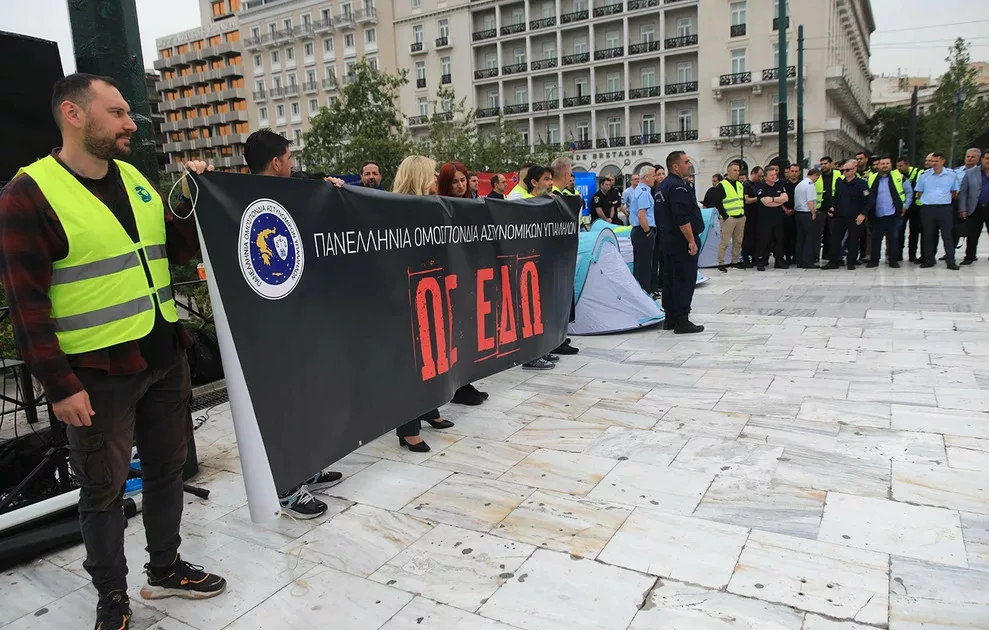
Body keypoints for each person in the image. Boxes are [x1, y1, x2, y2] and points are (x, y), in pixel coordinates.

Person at [0, 73, 226, 630]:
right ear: (74, 116)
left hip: (163, 356)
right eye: (118, 112)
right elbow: (26, 305)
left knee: (168, 470)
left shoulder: (135, 178)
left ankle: (167, 567)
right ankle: (112, 597)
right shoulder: (28, 194)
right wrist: (60, 385)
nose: (131, 123)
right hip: (96, 375)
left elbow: (172, 249)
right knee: (101, 491)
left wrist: (187, 200)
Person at [243, 130, 345, 518]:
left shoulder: (294, 193)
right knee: (281, 405)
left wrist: (328, 190)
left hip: (298, 319)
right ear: (275, 162)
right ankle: (286, 487)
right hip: (268, 327)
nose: (292, 163)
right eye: (289, 157)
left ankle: (306, 468)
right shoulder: (241, 201)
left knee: (305, 397)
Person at [392, 156, 457, 451]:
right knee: (411, 361)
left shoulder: (432, 207)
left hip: (431, 287)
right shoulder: (394, 210)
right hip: (406, 294)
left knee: (433, 353)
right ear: (418, 178)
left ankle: (428, 409)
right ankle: (407, 427)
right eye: (430, 175)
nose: (435, 179)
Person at [437, 162, 494, 401]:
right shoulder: (440, 206)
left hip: (470, 274)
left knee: (468, 330)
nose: (460, 186)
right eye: (455, 182)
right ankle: (457, 387)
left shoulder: (473, 204)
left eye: (463, 180)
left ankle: (466, 381)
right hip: (450, 277)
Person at [657, 151, 704, 334]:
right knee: (684, 278)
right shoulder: (678, 187)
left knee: (670, 279)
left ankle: (670, 319)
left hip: (668, 241)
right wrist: (691, 241)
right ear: (675, 166)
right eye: (685, 162)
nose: (689, 165)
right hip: (680, 242)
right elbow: (681, 217)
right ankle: (682, 319)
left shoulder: (662, 186)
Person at [824, 160, 872, 270]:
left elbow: (868, 200)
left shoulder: (861, 184)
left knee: (853, 240)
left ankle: (851, 261)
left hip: (854, 216)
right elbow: (836, 198)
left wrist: (863, 214)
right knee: (835, 239)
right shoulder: (840, 183)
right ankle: (833, 261)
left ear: (854, 169)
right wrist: (832, 207)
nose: (845, 172)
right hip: (839, 216)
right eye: (843, 170)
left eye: (847, 170)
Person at [915, 151, 959, 269]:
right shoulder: (924, 175)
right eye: (932, 161)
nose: (933, 163)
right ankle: (929, 259)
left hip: (945, 208)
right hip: (928, 208)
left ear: (942, 161)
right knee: (928, 235)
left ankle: (950, 261)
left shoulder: (951, 175)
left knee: (947, 235)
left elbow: (954, 192)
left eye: (936, 161)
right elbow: (919, 192)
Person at [866, 156, 911, 268]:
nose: (885, 165)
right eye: (882, 163)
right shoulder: (871, 178)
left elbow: (909, 192)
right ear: (878, 165)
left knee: (893, 239)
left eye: (887, 163)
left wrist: (905, 206)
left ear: (891, 165)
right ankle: (874, 260)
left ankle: (893, 260)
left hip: (893, 214)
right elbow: (866, 194)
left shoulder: (899, 177)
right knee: (875, 239)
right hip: (877, 214)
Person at [754, 165, 789, 271]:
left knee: (779, 239)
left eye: (775, 175)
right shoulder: (761, 187)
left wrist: (773, 199)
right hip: (765, 219)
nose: (774, 177)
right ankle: (760, 261)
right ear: (765, 177)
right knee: (764, 240)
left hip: (777, 218)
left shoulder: (779, 186)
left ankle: (779, 260)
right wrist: (778, 201)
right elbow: (765, 202)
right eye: (772, 175)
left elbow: (785, 198)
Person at [629, 166, 658, 294]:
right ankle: (645, 292)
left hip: (638, 231)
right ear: (646, 177)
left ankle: (640, 292)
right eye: (653, 176)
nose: (655, 179)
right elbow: (642, 215)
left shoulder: (638, 190)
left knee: (640, 265)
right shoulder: (644, 192)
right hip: (643, 231)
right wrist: (648, 232)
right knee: (645, 266)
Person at [712, 162, 745, 273]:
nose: (737, 172)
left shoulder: (740, 185)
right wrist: (725, 216)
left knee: (738, 241)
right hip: (729, 218)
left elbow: (741, 200)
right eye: (734, 170)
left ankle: (734, 261)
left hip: (740, 216)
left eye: (738, 170)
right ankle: (721, 262)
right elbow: (717, 201)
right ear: (729, 171)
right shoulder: (722, 185)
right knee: (724, 242)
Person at [959, 149, 989, 263]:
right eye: (987, 158)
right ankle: (970, 256)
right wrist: (963, 209)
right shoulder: (971, 172)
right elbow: (964, 192)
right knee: (972, 234)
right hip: (975, 207)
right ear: (982, 159)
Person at [896, 156, 923, 263]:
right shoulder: (896, 174)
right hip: (902, 207)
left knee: (914, 232)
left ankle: (912, 254)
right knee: (899, 231)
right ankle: (898, 254)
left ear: (907, 164)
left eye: (901, 166)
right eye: (897, 166)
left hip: (915, 207)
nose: (898, 168)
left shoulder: (918, 172)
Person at [793, 168, 821, 268]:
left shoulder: (800, 184)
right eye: (817, 177)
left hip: (798, 213)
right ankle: (807, 261)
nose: (817, 180)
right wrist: (813, 213)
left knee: (800, 238)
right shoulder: (809, 185)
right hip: (806, 213)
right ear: (815, 175)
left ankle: (799, 260)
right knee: (809, 238)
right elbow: (810, 201)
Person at [816, 156, 838, 263]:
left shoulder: (838, 175)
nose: (823, 166)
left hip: (834, 209)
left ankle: (829, 254)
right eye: (822, 164)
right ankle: (817, 255)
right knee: (819, 233)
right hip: (820, 209)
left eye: (825, 163)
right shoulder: (818, 176)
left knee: (832, 233)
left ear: (830, 164)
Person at [740, 166, 763, 267]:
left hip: (758, 215)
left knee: (756, 237)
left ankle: (755, 257)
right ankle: (746, 258)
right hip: (749, 215)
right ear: (753, 174)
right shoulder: (746, 185)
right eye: (759, 176)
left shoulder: (759, 184)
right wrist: (758, 198)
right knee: (747, 238)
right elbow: (747, 200)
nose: (760, 178)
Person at [782, 164, 801, 265]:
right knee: (786, 236)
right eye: (792, 171)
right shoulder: (783, 184)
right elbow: (779, 198)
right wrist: (785, 210)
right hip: (785, 213)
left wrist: (794, 209)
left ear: (799, 172)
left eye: (796, 171)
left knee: (797, 235)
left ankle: (796, 256)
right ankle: (787, 256)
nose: (793, 173)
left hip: (797, 213)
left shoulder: (802, 184)